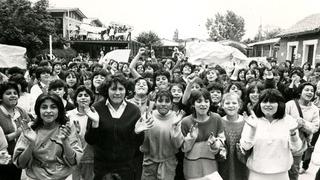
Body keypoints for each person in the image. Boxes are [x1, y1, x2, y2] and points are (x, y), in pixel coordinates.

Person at [84, 73, 144, 180]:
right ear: (107, 90)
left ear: (126, 90)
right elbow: (90, 140)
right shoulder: (96, 108)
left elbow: (137, 143)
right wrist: (95, 125)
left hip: (126, 167)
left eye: (121, 89)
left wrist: (137, 132)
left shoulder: (133, 110)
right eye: (113, 89)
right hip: (102, 167)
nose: (117, 93)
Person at [13, 93, 83, 180]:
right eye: (44, 107)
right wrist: (31, 143)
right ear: (38, 110)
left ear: (59, 110)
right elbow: (20, 164)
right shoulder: (29, 129)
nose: (48, 111)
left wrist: (65, 141)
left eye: (53, 107)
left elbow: (74, 162)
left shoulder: (67, 128)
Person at [240, 89, 302, 180]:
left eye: (272, 102)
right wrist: (253, 130)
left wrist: (292, 133)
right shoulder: (253, 120)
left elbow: (296, 148)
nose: (268, 105)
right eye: (264, 102)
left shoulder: (289, 120)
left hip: (281, 174)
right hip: (257, 173)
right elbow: (245, 146)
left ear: (279, 104)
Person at [136, 90, 184, 180]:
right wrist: (139, 131)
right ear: (155, 102)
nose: (163, 104)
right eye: (160, 101)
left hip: (168, 163)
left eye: (167, 101)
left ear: (171, 104)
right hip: (149, 162)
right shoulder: (148, 116)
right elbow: (141, 143)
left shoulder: (176, 118)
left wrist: (175, 127)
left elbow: (178, 144)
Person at [181, 88, 225, 179]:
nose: (203, 104)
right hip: (192, 167)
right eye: (199, 101)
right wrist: (191, 138)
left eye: (206, 101)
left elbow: (222, 139)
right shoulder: (186, 121)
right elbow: (184, 148)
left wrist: (214, 143)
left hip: (211, 165)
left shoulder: (216, 118)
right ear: (193, 104)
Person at [285, 82, 320, 180]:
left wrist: (303, 123)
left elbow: (315, 128)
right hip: (285, 144)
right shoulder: (290, 105)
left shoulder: (314, 109)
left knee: (294, 171)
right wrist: (295, 125)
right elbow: (282, 121)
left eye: (312, 91)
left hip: (300, 147)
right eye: (307, 90)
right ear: (300, 92)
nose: (310, 92)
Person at [0, 81, 31, 180]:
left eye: (15, 93)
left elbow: (30, 128)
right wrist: (16, 133)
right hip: (3, 161)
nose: (13, 96)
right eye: (8, 93)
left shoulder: (21, 111)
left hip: (18, 159)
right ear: (1, 97)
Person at [218, 92, 248, 180]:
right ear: (222, 105)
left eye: (234, 103)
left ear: (239, 105)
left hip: (242, 163)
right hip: (224, 164)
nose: (231, 105)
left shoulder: (246, 121)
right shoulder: (219, 121)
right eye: (227, 103)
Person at [68, 85, 95, 180]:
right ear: (75, 100)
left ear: (91, 99)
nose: (83, 97)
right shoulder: (68, 115)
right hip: (73, 157)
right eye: (80, 95)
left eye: (86, 95)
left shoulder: (95, 115)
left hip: (90, 157)